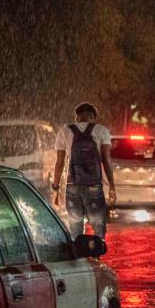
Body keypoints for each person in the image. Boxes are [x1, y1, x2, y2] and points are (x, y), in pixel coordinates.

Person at [52, 102, 116, 239]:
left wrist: (56, 188)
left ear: (77, 117)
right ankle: (96, 254)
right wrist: (112, 186)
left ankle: (78, 255)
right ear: (93, 117)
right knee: (98, 224)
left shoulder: (64, 131)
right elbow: (106, 160)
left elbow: (59, 163)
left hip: (73, 184)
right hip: (94, 185)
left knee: (75, 225)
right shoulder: (101, 130)